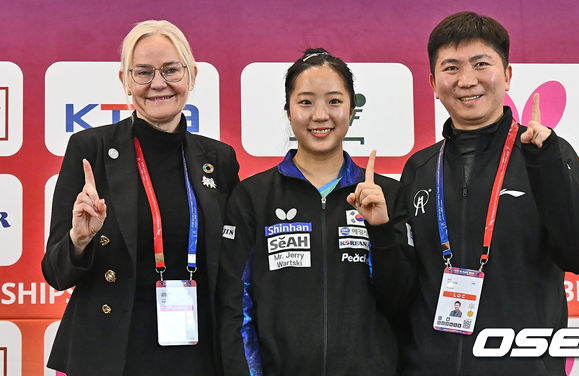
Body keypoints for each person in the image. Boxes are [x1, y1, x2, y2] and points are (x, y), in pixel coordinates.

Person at [398, 12, 579, 375]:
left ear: (507, 75)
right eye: (451, 68)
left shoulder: (545, 154)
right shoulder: (420, 167)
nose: (467, 80)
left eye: (481, 64)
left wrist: (545, 165)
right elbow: (404, 282)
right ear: (433, 83)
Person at [42, 20, 239, 375]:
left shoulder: (219, 160)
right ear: (125, 81)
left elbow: (233, 265)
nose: (158, 84)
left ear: (191, 75)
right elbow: (55, 273)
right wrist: (79, 240)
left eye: (171, 70)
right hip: (112, 351)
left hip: (197, 352)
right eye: (143, 72)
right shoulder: (92, 150)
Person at [218, 48, 413, 375]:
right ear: (289, 110)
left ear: (352, 110)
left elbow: (402, 302)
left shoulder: (387, 195)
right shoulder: (253, 196)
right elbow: (235, 307)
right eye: (306, 102)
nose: (320, 115)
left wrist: (380, 229)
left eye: (334, 101)